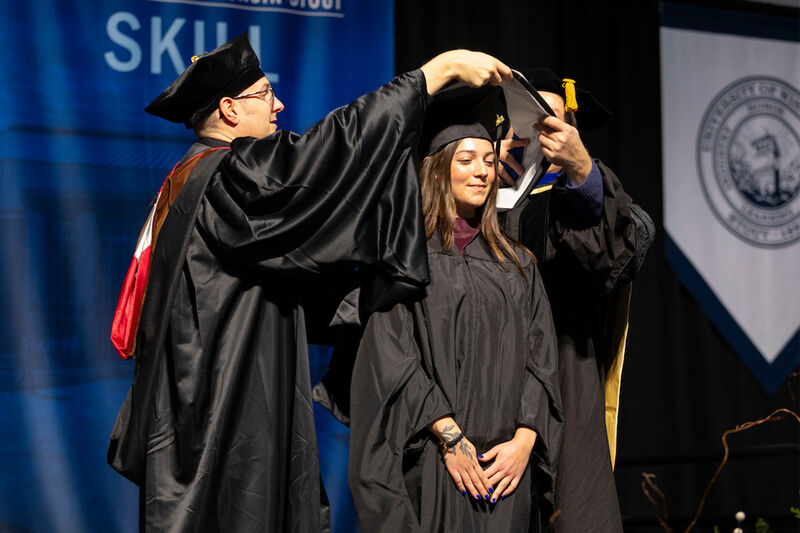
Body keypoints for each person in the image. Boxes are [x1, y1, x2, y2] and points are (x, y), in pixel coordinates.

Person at [106, 31, 513, 533]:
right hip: (220, 413)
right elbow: (325, 155)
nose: (278, 105)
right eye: (264, 95)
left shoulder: (189, 179)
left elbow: (300, 250)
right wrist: (433, 75)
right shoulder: (227, 177)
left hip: (205, 402)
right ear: (229, 109)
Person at [343, 89, 563, 533]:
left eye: (488, 160)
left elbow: (542, 364)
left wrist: (525, 440)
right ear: (438, 169)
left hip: (507, 473)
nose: (482, 172)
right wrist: (450, 438)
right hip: (435, 464)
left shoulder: (518, 265)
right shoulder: (405, 262)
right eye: (466, 160)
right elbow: (392, 360)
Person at [499, 68, 655, 533]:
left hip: (563, 386)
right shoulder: (471, 199)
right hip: (483, 397)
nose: (534, 136)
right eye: (522, 123)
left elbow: (611, 245)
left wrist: (581, 170)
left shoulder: (580, 201)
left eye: (551, 125)